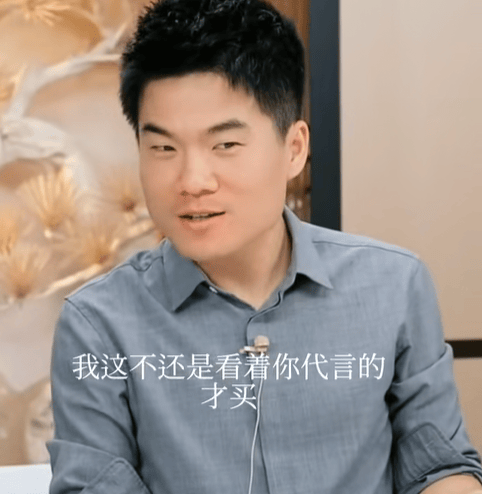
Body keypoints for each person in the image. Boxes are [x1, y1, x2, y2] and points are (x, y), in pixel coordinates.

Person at [48, 0, 482, 493]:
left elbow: (439, 467)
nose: (192, 181)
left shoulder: (394, 285)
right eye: (163, 148)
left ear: (294, 149)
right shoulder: (98, 325)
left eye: (225, 145)